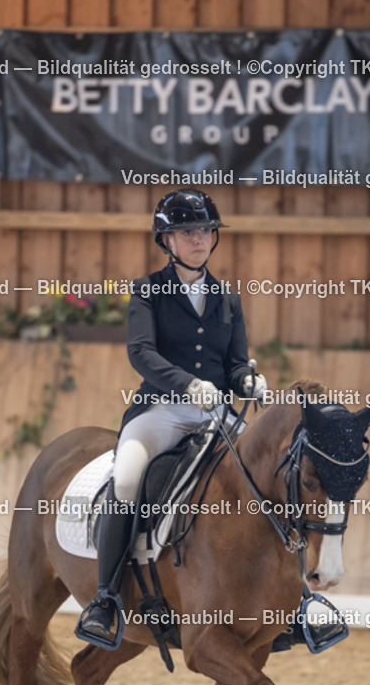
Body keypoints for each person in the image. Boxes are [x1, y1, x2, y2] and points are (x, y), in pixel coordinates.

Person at [76, 188, 267, 644]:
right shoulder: (148, 292)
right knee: (126, 479)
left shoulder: (227, 298)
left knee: (266, 476)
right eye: (187, 232)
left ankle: (287, 598)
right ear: (167, 239)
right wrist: (185, 384)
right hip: (160, 412)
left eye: (205, 231)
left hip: (215, 415)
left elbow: (236, 360)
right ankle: (106, 599)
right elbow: (141, 352)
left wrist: (246, 381)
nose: (199, 239)